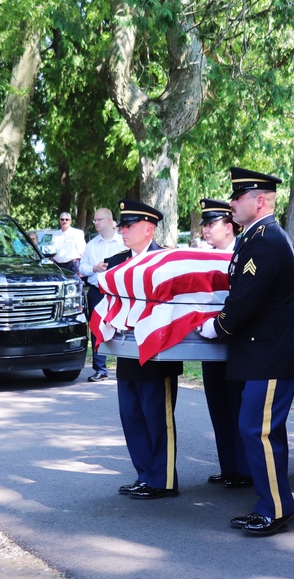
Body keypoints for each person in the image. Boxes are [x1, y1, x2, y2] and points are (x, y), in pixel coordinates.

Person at [199, 167, 294, 536]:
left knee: (258, 431)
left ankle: (275, 509)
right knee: (258, 430)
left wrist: (218, 326)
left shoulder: (266, 240)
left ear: (259, 201)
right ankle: (271, 503)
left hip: (272, 354)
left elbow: (246, 298)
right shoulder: (257, 238)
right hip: (263, 353)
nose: (231, 203)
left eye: (238, 197)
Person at [110, 200, 184, 500]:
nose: (122, 230)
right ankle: (144, 475)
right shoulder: (117, 262)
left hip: (158, 354)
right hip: (127, 351)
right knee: (131, 415)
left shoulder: (167, 260)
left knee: (157, 417)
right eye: (121, 225)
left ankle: (163, 480)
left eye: (129, 225)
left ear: (149, 228)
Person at [198, 198, 251, 490]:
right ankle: (229, 466)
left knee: (238, 405)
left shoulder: (244, 253)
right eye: (204, 224)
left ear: (229, 227)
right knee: (218, 404)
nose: (206, 230)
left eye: (211, 224)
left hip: (238, 342)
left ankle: (245, 468)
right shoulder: (203, 258)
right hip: (210, 342)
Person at [79, 207, 124, 383]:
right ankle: (100, 369)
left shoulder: (122, 243)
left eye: (98, 220)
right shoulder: (91, 245)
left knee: (121, 327)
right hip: (97, 291)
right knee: (97, 328)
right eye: (95, 220)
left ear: (108, 221)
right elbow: (82, 268)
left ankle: (124, 366)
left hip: (118, 292)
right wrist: (94, 268)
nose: (95, 223)